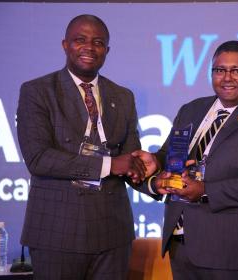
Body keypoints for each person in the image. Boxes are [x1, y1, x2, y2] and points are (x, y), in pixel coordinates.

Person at [135, 40, 238, 280]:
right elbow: (173, 154)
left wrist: (205, 191)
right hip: (184, 246)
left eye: (237, 70)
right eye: (219, 70)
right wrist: (156, 162)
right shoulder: (192, 109)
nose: (227, 77)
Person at [16, 14, 150, 279]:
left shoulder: (123, 96)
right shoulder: (38, 91)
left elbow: (131, 158)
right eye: (80, 40)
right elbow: (39, 159)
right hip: (57, 232)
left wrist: (156, 180)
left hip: (113, 233)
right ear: (65, 45)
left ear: (107, 50)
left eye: (98, 42)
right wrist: (110, 164)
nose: (89, 47)